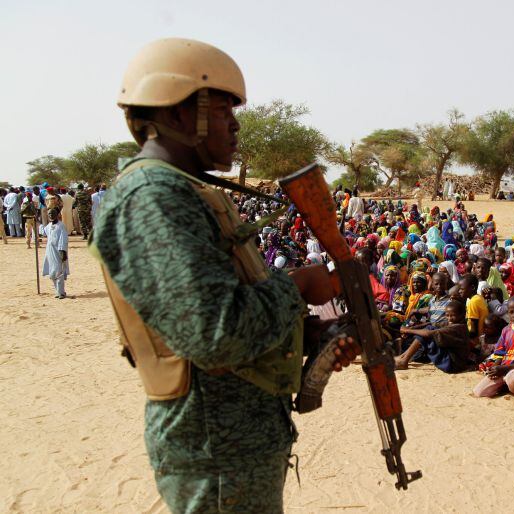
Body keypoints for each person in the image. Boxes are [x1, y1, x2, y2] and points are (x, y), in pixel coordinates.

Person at [92, 38, 358, 513]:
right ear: (176, 114)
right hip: (216, 452)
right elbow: (215, 335)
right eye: (222, 111)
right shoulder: (153, 197)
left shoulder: (190, 193)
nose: (235, 125)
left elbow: (229, 309)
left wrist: (309, 333)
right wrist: (298, 286)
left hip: (237, 445)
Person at [474, 296, 514, 398]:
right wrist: (495, 368)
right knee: (479, 392)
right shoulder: (506, 330)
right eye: (511, 312)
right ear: (508, 313)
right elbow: (499, 353)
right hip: (504, 366)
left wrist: (503, 368)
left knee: (513, 379)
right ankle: (505, 386)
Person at [397, 300, 470, 373]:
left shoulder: (457, 328)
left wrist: (408, 331)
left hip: (452, 364)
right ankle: (403, 356)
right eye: (447, 315)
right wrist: (412, 328)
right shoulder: (455, 324)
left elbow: (429, 333)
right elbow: (433, 324)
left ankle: (404, 360)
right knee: (428, 328)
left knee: (427, 333)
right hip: (455, 362)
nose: (449, 318)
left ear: (462, 315)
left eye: (452, 315)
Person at [42, 207, 69, 299]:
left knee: (59, 272)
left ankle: (61, 292)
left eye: (52, 213)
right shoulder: (48, 226)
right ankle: (58, 291)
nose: (50, 215)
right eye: (49, 214)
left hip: (58, 251)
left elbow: (63, 239)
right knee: (52, 273)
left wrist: (63, 251)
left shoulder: (61, 226)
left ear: (57, 214)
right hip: (50, 252)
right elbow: (43, 232)